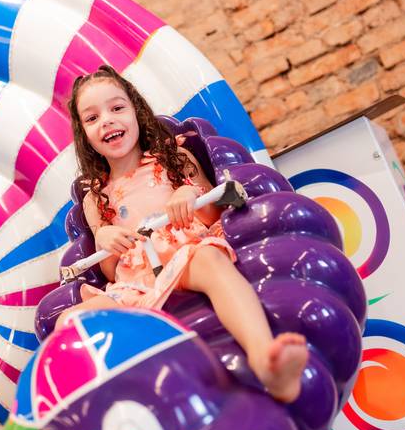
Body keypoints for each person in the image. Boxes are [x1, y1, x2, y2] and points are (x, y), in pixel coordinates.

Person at [57, 65, 308, 403]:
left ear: (135, 111)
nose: (107, 120)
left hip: (185, 254)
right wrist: (105, 239)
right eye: (92, 117)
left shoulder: (173, 158)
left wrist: (188, 193)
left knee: (208, 258)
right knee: (70, 320)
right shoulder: (95, 197)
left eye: (116, 108)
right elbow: (110, 271)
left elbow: (214, 214)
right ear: (84, 134)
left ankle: (265, 360)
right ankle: (113, 409)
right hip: (136, 281)